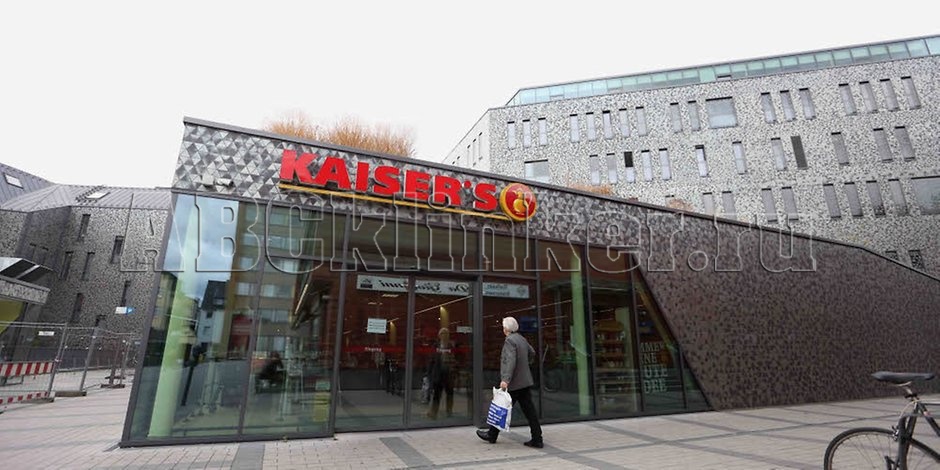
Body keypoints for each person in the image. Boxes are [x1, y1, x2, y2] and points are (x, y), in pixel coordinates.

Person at [476, 317, 543, 448]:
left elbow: (510, 360)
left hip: (514, 382)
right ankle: (537, 438)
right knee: (530, 412)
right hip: (524, 381)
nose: (503, 329)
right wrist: (525, 364)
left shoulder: (510, 341)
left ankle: (492, 435)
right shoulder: (521, 339)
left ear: (506, 329)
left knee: (501, 407)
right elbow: (532, 352)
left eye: (503, 326)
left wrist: (505, 379)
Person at [426, 327, 456, 418]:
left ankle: (449, 412)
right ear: (439, 336)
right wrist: (429, 373)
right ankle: (433, 413)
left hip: (449, 374)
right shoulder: (436, 346)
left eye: (446, 334)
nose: (445, 336)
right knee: (437, 394)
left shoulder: (451, 346)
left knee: (450, 394)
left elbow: (455, 358)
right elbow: (431, 360)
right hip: (438, 374)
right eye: (443, 334)